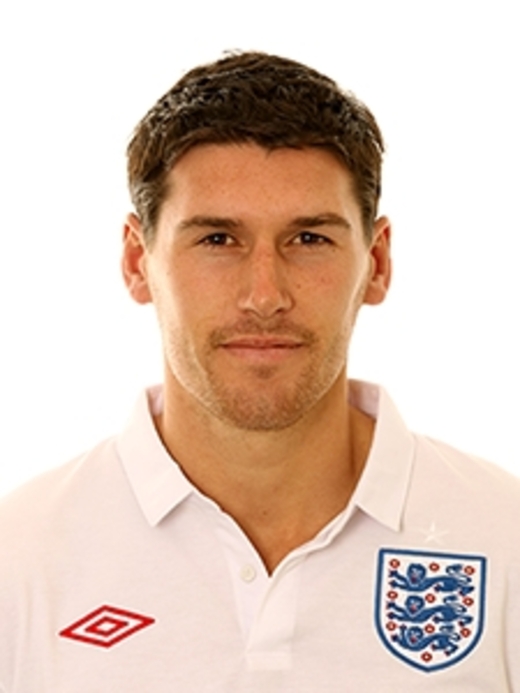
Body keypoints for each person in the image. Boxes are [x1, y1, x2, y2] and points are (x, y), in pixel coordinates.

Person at [0, 51, 519, 692]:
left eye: (309, 239)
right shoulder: (20, 560)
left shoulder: (505, 539)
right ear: (138, 262)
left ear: (377, 263)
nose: (265, 295)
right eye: (217, 240)